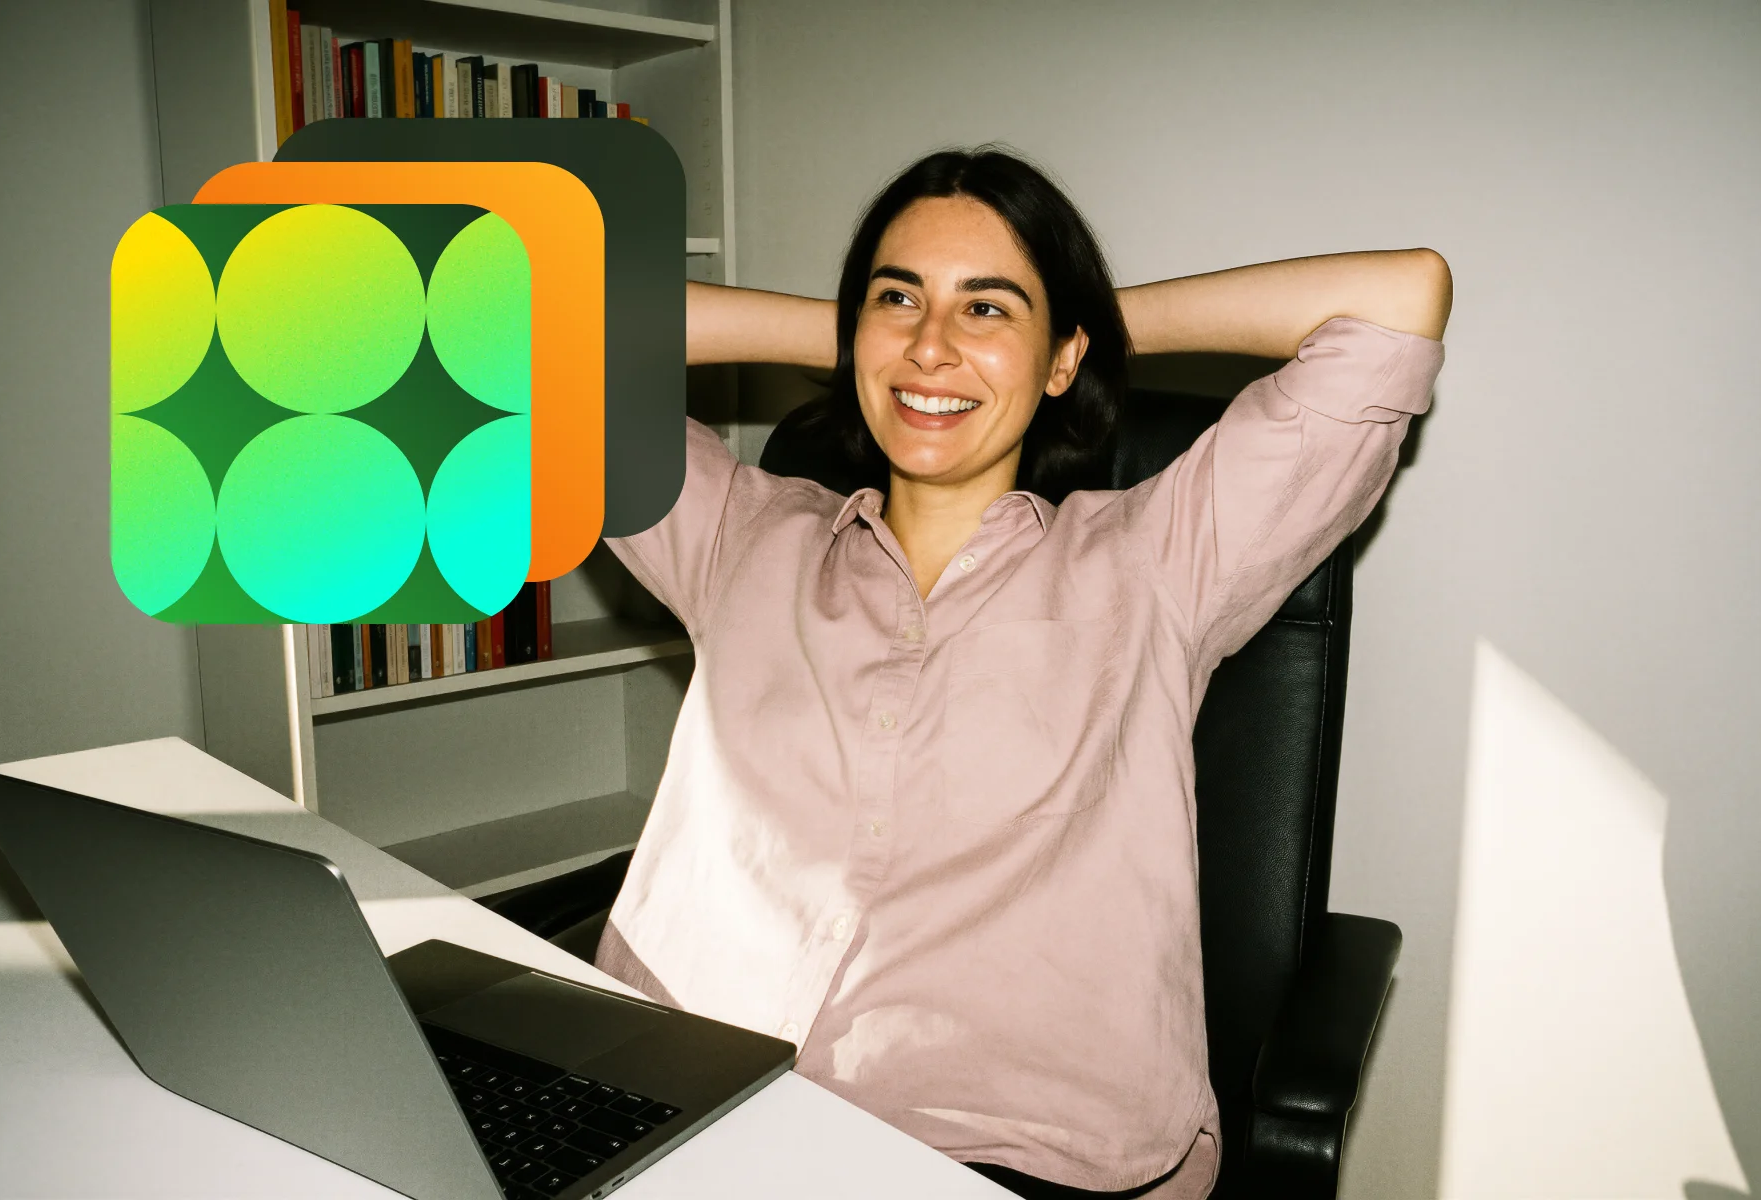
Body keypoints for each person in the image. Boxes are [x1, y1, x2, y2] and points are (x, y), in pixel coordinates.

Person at [595, 146, 1451, 1199]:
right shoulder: (739, 532)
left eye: (987, 310)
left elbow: (1400, 301)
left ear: (1062, 360)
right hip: (682, 1116)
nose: (934, 345)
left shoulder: (1157, 562)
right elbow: (545, 325)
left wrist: (1064, 322)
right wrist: (880, 340)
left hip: (1000, 1158)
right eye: (897, 297)